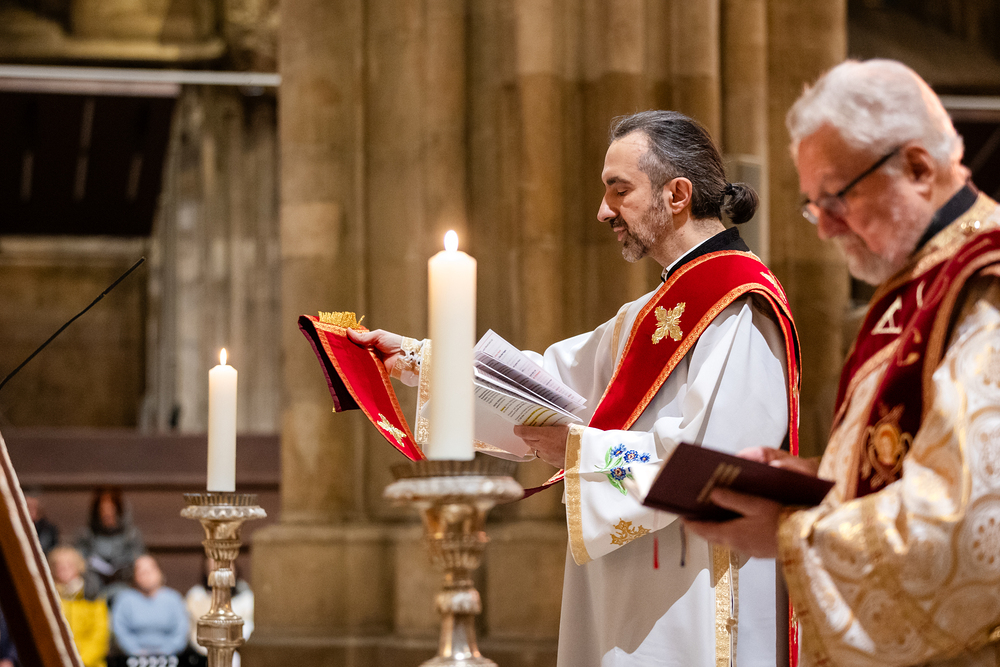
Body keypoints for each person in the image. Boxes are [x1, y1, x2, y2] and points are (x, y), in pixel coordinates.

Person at [350, 110, 800, 666]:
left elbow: (719, 465)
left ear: (677, 194)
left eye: (619, 190)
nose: (603, 211)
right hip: (638, 587)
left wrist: (577, 448)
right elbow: (544, 381)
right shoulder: (651, 311)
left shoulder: (738, 303)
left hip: (694, 595)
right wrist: (419, 360)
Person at [684, 58, 1000, 666]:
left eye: (835, 197)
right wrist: (818, 482)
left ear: (917, 167)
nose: (825, 229)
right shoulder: (920, 282)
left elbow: (971, 527)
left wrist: (790, 535)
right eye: (812, 205)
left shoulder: (985, 284)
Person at [111, 554, 189, 659]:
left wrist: (166, 651)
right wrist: (136, 651)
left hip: (169, 657)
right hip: (132, 658)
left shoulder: (173, 599)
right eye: (141, 571)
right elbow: (120, 630)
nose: (146, 574)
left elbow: (181, 631)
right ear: (134, 575)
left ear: (160, 572)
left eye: (150, 569)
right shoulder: (125, 600)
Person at [75, 487, 145, 601]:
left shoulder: (131, 536)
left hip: (124, 586)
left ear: (120, 511)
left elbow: (138, 561)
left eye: (112, 511)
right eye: (103, 511)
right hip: (93, 589)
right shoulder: (86, 536)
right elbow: (80, 562)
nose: (107, 515)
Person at [184, 557, 254, 667]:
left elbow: (247, 627)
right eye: (214, 567)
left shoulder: (246, 597)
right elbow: (194, 632)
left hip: (238, 652)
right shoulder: (196, 597)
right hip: (202, 655)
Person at [49, 546, 110, 667]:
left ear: (78, 567)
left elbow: (100, 636)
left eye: (69, 564)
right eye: (59, 565)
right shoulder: (47, 597)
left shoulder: (92, 596)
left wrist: (80, 661)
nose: (64, 568)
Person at [24, 488, 59, 555]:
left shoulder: (48, 529)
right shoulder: (17, 526)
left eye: (32, 508)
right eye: (27, 507)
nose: (28, 511)